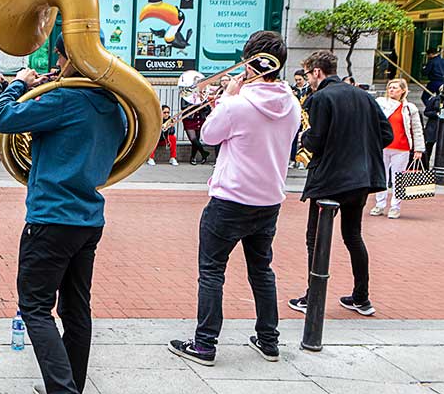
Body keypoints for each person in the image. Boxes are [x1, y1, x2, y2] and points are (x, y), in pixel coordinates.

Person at [0, 35, 126, 394]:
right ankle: (69, 388)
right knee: (75, 308)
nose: (57, 66)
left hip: (51, 217)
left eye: (60, 58)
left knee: (34, 307)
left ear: (68, 58)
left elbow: (0, 118)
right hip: (88, 218)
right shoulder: (115, 105)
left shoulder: (65, 99)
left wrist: (19, 82)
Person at [168, 31, 300, 366]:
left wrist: (225, 99)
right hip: (268, 201)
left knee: (212, 271)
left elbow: (210, 135)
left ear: (251, 63)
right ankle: (268, 340)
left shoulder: (237, 104)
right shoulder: (292, 103)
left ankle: (205, 344)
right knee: (262, 270)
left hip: (230, 200)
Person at [288, 51, 392, 317]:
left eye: (309, 74)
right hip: (361, 179)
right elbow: (387, 134)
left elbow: (316, 140)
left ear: (317, 71)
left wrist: (304, 138)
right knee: (353, 236)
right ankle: (361, 297)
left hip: (330, 179)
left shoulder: (320, 98)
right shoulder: (364, 96)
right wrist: (360, 149)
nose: (308, 79)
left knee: (315, 238)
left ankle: (313, 297)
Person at [371, 78, 424, 219]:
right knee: (381, 177)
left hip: (401, 147)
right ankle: (380, 204)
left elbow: (417, 129)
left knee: (398, 179)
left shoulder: (409, 108)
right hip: (383, 146)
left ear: (403, 90)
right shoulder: (380, 103)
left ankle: (395, 207)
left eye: (395, 88)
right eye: (390, 87)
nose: (391, 90)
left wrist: (418, 149)